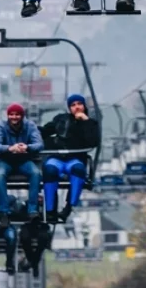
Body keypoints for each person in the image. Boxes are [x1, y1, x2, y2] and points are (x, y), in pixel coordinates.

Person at [39, 94, 101, 222]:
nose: (77, 107)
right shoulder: (61, 120)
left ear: (84, 106)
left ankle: (68, 208)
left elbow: (92, 142)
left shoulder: (91, 124)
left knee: (78, 170)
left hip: (75, 159)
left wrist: (85, 121)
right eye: (73, 105)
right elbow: (45, 131)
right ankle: (51, 210)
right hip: (58, 158)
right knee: (49, 170)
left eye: (79, 104)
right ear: (69, 108)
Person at [0, 103, 44, 226]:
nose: (14, 117)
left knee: (36, 173)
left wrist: (27, 147)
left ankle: (32, 210)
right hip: (5, 160)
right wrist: (10, 148)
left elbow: (40, 144)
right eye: (11, 114)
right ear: (8, 116)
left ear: (22, 116)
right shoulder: (1, 126)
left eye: (17, 115)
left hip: (23, 160)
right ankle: (4, 212)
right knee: (0, 175)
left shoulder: (30, 126)